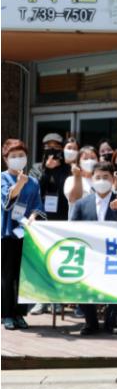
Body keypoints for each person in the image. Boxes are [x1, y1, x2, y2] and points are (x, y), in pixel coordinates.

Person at [70, 161, 117, 335]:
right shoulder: (81, 204)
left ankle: (111, 320)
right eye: (98, 177)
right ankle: (90, 322)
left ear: (113, 179)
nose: (102, 181)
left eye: (106, 177)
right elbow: (72, 229)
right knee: (80, 283)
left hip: (115, 256)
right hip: (89, 255)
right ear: (92, 179)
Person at [1, 139, 43, 330]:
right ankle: (6, 314)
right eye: (13, 156)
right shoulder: (2, 178)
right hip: (7, 233)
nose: (18, 159)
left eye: (21, 155)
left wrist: (33, 217)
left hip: (26, 233)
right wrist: (19, 184)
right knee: (7, 275)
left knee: (23, 276)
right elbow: (6, 203)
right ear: (5, 159)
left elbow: (37, 205)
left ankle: (19, 314)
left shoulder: (33, 181)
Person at [29, 135, 72, 315]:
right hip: (41, 219)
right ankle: (41, 300)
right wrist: (46, 170)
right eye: (49, 148)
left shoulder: (67, 168)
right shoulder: (36, 167)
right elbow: (34, 189)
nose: (52, 151)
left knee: (59, 259)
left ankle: (57, 300)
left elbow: (66, 190)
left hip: (61, 218)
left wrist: (58, 168)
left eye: (56, 147)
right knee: (41, 260)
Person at [63, 146, 99, 216]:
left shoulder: (103, 180)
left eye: (93, 158)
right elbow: (74, 199)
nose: (89, 161)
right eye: (85, 158)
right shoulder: (71, 180)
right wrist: (77, 176)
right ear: (79, 162)